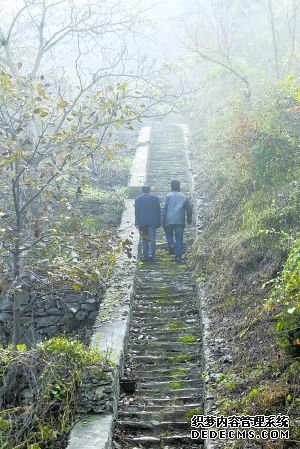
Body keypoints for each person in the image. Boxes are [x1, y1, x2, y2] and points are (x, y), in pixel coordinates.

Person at [161, 180, 192, 262]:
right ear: (179, 186)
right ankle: (178, 256)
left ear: (171, 187)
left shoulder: (168, 196)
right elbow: (189, 210)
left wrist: (162, 221)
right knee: (179, 239)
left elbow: (164, 209)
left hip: (169, 219)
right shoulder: (185, 197)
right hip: (180, 221)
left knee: (169, 234)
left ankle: (171, 244)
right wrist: (189, 219)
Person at [135, 185, 161, 261]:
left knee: (144, 238)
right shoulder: (155, 198)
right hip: (152, 221)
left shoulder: (138, 199)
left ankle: (145, 254)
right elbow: (158, 211)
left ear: (142, 191)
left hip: (142, 221)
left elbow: (137, 212)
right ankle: (151, 254)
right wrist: (159, 221)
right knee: (152, 238)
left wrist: (136, 222)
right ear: (149, 190)